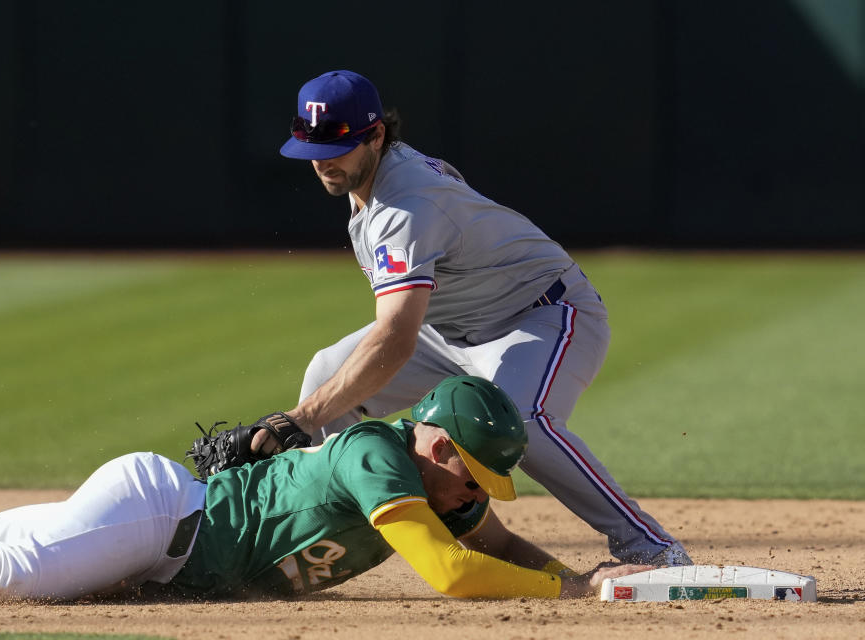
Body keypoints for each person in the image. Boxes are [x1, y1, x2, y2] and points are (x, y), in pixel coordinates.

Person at [276, 70, 691, 566]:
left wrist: (297, 420)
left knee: (523, 420)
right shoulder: (376, 174)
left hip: (543, 315)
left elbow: (394, 339)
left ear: (378, 134)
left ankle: (650, 547)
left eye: (335, 148)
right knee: (327, 372)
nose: (322, 162)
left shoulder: (404, 206)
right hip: (451, 330)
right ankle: (322, 536)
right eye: (313, 149)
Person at [0, 376, 650, 603]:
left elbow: (498, 544)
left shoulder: (442, 489)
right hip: (160, 517)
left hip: (164, 552)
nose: (474, 498)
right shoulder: (375, 453)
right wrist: (574, 597)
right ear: (441, 446)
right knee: (11, 575)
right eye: (472, 478)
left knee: (0, 542)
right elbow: (453, 573)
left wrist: (579, 575)